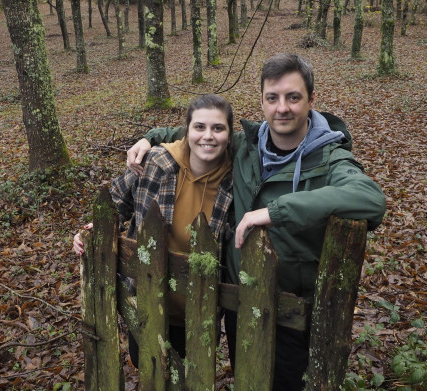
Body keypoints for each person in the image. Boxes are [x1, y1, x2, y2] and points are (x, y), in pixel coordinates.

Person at [126, 53, 387, 390]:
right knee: (247, 379)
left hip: (290, 310)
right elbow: (198, 134)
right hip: (239, 301)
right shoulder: (246, 145)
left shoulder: (330, 158)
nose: (282, 108)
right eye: (272, 98)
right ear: (262, 101)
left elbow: (370, 198)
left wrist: (276, 212)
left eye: (293, 97)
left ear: (311, 100)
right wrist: (150, 137)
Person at [73, 94, 235, 366]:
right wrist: (88, 232)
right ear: (187, 130)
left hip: (200, 308)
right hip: (146, 297)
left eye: (218, 128)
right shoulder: (156, 162)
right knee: (148, 369)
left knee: (192, 377)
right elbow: (114, 201)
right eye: (199, 127)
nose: (208, 136)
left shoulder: (235, 179)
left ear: (229, 135)